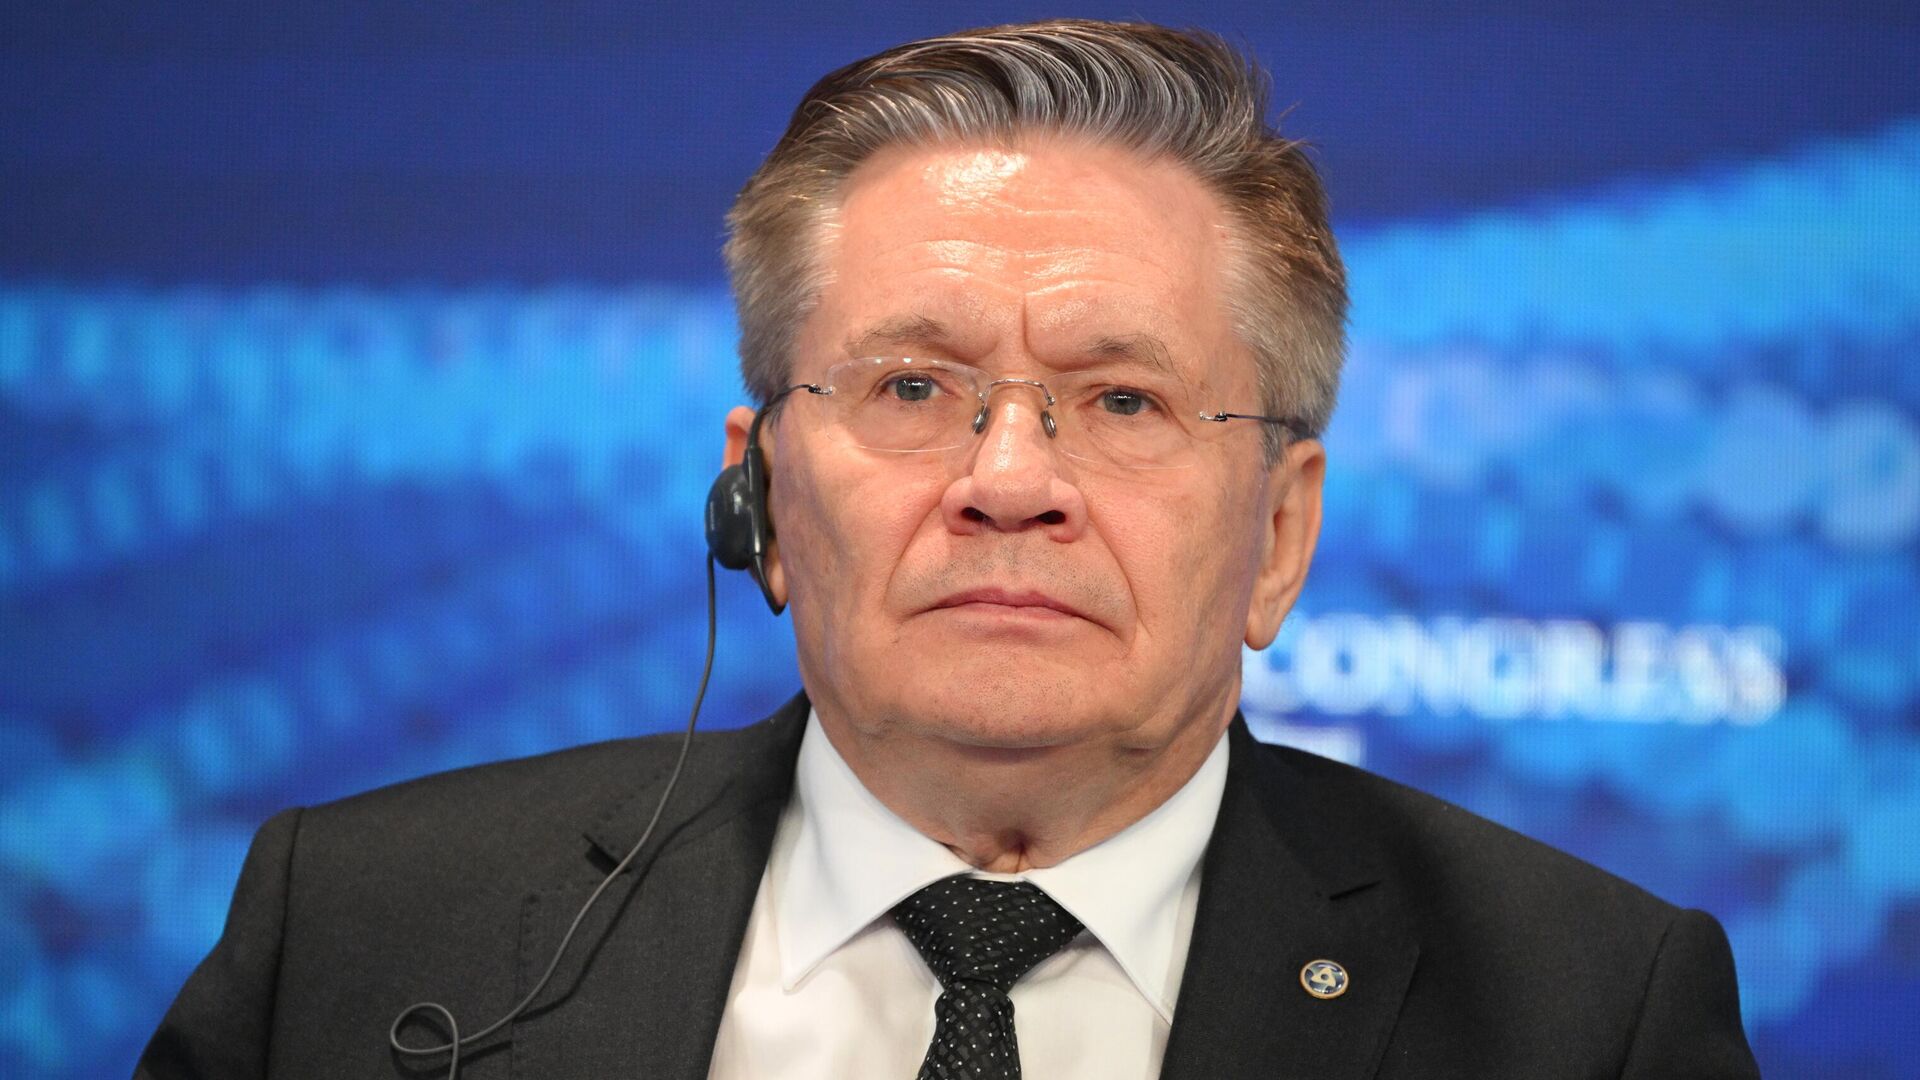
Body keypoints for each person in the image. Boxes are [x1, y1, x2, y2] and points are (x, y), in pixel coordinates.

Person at [137, 19, 1760, 1080]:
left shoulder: (1583, 1014)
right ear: (762, 497)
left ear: (1280, 533)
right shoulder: (361, 932)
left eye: (1122, 400)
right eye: (912, 387)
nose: (1009, 481)